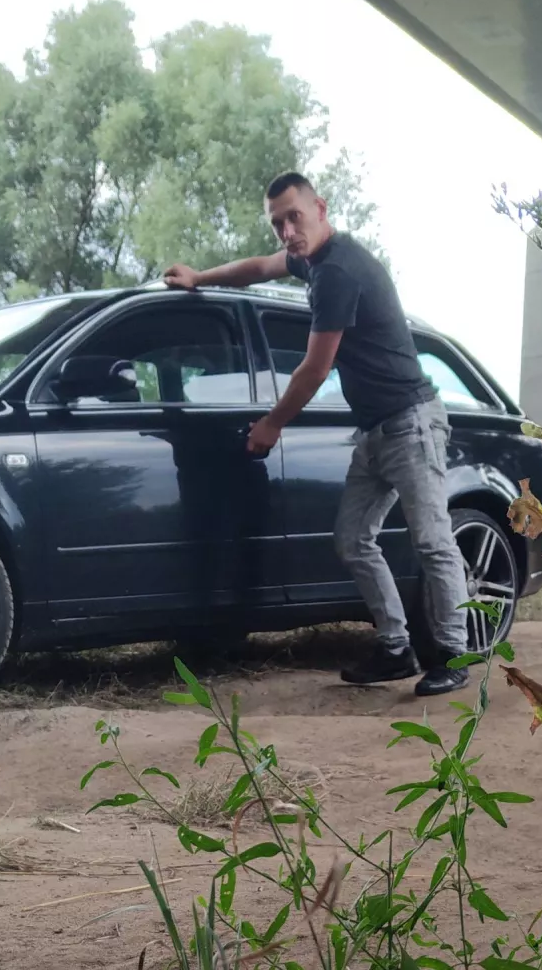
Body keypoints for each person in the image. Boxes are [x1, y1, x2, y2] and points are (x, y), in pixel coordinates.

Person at [163, 172, 469, 696]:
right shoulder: (311, 259)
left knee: (432, 541)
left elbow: (314, 368)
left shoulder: (337, 273)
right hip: (376, 431)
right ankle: (396, 648)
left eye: (294, 218)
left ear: (320, 209)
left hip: (411, 422)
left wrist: (272, 424)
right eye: (277, 223)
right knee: (352, 540)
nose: (287, 231)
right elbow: (258, 268)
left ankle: (454, 654)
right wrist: (199, 276)